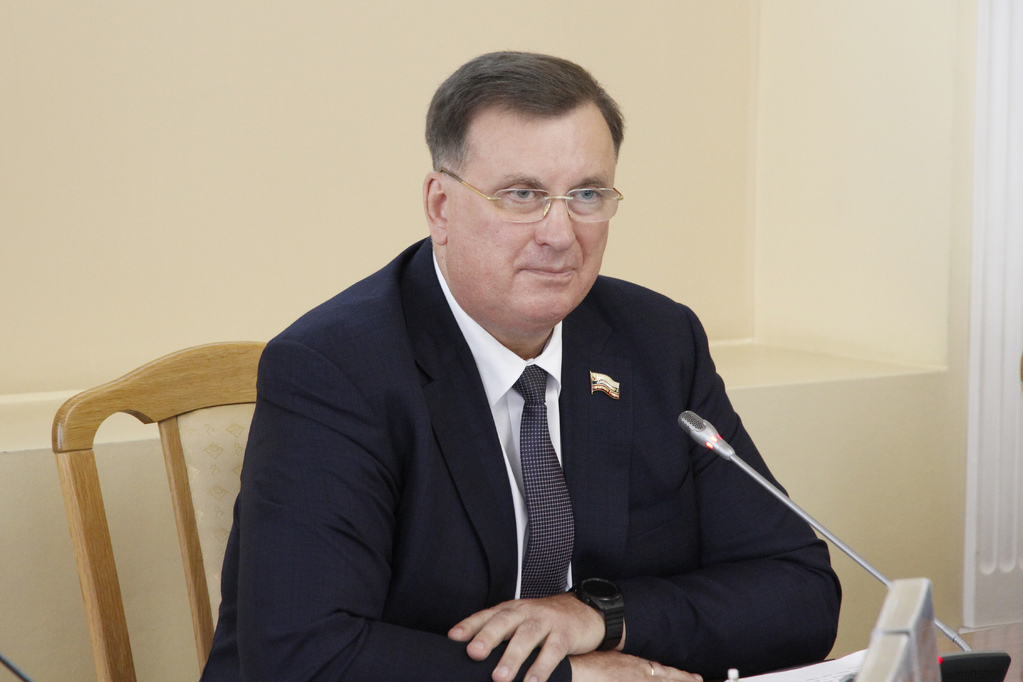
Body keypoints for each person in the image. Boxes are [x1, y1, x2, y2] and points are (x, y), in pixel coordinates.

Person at [201, 51, 841, 682]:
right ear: (441, 206)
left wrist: (599, 617)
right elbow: (303, 655)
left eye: (586, 194)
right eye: (522, 194)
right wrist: (573, 679)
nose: (560, 234)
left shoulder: (657, 341)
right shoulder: (335, 369)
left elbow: (800, 590)